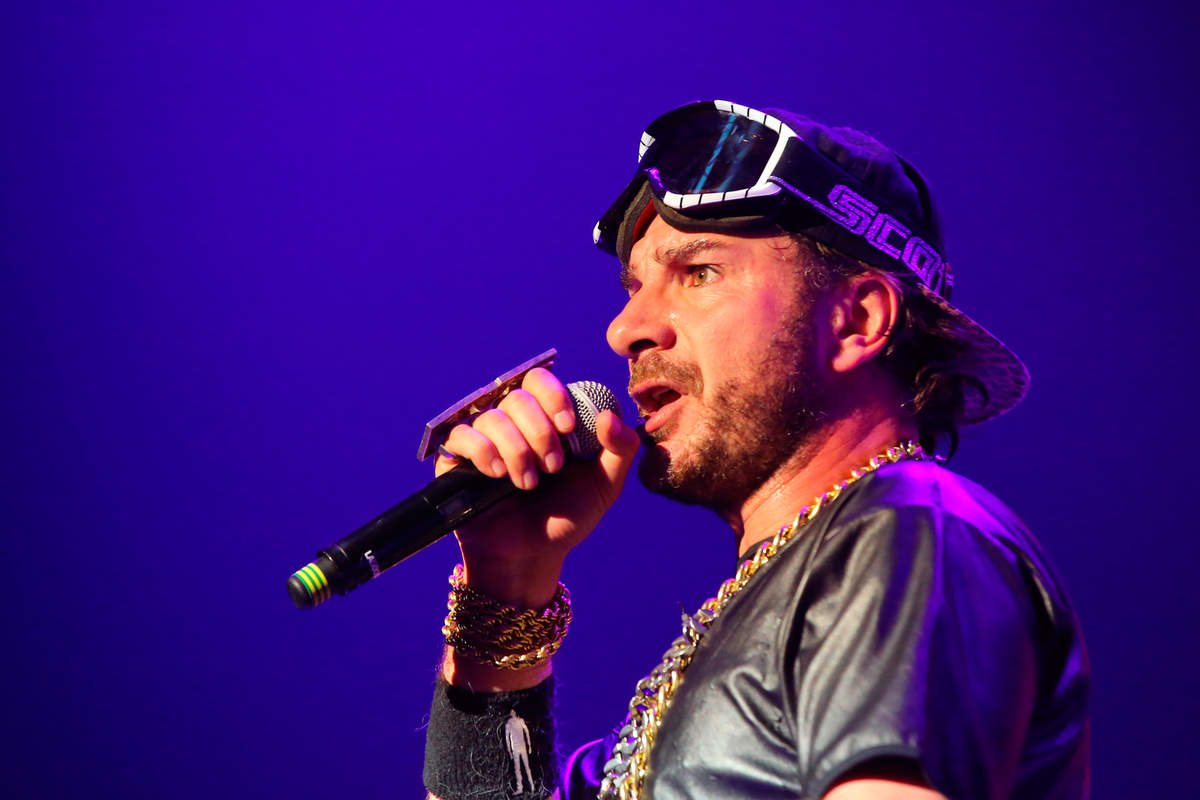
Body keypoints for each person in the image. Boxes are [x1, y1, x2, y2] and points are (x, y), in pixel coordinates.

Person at [421, 100, 1090, 800]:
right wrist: (507, 586)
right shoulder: (784, 598)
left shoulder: (908, 527)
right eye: (635, 287)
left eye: (699, 272)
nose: (625, 329)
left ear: (857, 320)